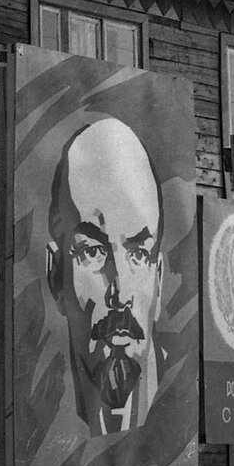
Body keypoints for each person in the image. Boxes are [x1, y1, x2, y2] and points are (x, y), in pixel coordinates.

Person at [45, 117, 164, 436]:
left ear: (159, 280)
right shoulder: (46, 414)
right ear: (56, 276)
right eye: (93, 251)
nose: (121, 294)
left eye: (139, 254)